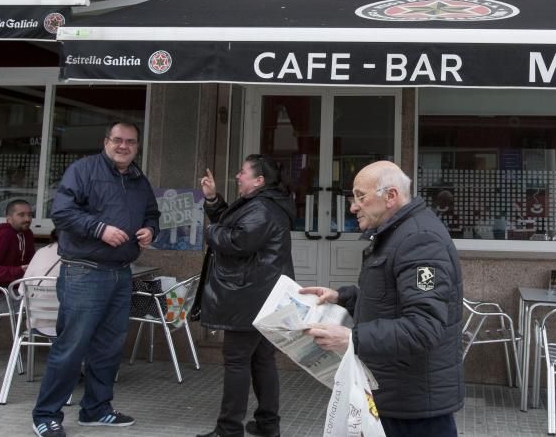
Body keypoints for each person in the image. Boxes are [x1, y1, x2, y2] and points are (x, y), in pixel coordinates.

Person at [302, 161, 464, 437]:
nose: (353, 207)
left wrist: (352, 338)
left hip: (414, 409)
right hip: (396, 395)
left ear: (391, 196)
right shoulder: (397, 233)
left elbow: (424, 327)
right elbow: (391, 300)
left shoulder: (419, 240)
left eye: (361, 197)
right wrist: (342, 297)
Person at [31, 121, 159, 437]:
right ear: (106, 142)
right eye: (118, 140)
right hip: (84, 271)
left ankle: (97, 409)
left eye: (130, 142)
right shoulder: (83, 170)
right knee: (71, 346)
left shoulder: (139, 178)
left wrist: (150, 229)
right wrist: (99, 229)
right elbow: (61, 212)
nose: (124, 146)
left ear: (137, 146)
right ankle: (46, 414)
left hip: (120, 273)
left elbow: (153, 213)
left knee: (109, 347)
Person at [196, 155, 296, 437]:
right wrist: (214, 199)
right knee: (263, 359)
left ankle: (228, 429)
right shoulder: (262, 205)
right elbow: (235, 226)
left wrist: (210, 231)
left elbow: (237, 240)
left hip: (249, 298)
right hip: (261, 297)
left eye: (242, 172)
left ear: (259, 180)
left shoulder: (262, 208)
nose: (237, 176)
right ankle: (267, 425)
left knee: (237, 361)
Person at [23, 228, 62, 335]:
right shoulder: (82, 258)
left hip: (37, 323)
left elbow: (22, 290)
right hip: (71, 326)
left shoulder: (41, 252)